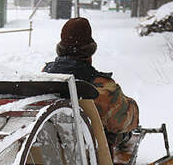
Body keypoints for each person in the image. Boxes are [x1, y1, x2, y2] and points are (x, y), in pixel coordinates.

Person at [43, 17, 139, 148]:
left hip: (47, 150)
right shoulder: (102, 88)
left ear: (61, 49)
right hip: (88, 156)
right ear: (89, 52)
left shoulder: (43, 79)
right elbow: (125, 121)